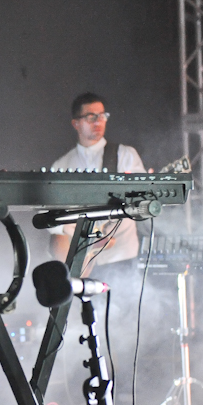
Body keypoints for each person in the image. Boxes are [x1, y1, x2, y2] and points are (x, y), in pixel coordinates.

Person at [49, 92, 145, 274]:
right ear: (76, 123)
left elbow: (140, 199)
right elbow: (54, 223)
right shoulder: (61, 166)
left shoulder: (124, 156)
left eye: (102, 116)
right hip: (81, 262)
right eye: (91, 117)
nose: (98, 122)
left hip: (120, 257)